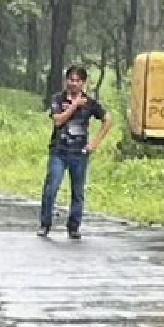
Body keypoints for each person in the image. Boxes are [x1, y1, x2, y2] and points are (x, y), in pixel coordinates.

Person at [40, 64, 109, 239]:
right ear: (66, 81)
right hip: (59, 151)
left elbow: (108, 120)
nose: (74, 83)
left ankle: (73, 227)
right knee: (51, 188)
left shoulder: (90, 103)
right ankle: (45, 224)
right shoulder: (58, 99)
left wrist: (95, 142)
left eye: (78, 80)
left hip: (80, 153)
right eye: (71, 79)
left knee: (77, 192)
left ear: (84, 83)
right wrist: (74, 105)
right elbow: (58, 121)